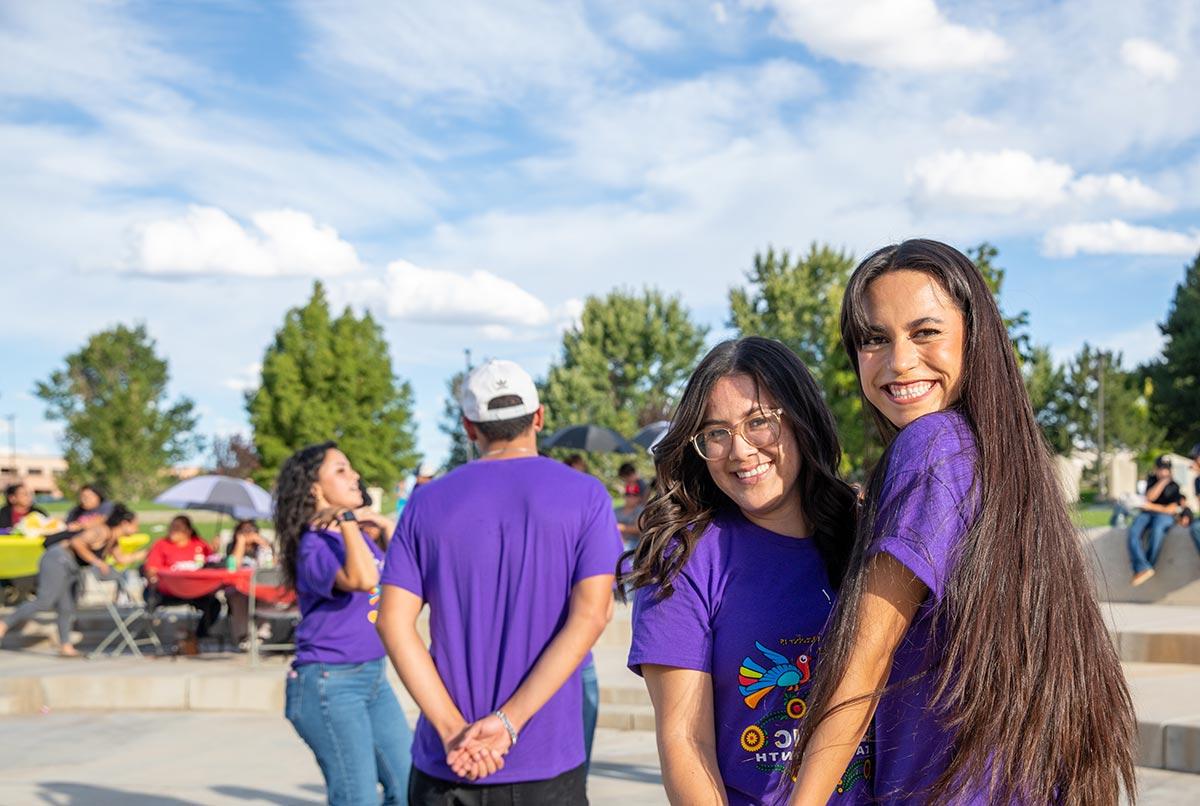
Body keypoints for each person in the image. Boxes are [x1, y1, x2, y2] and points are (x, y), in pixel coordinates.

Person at [787, 239, 1136, 805]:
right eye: (875, 339)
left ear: (975, 337)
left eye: (925, 332)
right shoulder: (1001, 463)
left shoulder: (933, 445)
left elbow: (864, 663)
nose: (899, 361)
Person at [620, 337, 865, 805]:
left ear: (801, 420)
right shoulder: (684, 558)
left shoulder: (869, 532)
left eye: (758, 422)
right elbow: (686, 741)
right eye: (716, 433)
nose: (740, 451)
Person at [377, 358, 621, 804]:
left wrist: (452, 730)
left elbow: (393, 622)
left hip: (446, 761)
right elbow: (594, 613)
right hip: (545, 759)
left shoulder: (425, 502)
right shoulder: (586, 495)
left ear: (470, 428)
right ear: (539, 416)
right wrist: (509, 723)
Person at [276, 442, 410, 805]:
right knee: (358, 798)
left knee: (409, 784)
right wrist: (348, 521)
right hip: (329, 685)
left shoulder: (353, 536)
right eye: (341, 470)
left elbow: (409, 572)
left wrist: (382, 524)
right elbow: (364, 579)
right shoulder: (315, 543)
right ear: (314, 488)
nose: (355, 476)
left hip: (372, 678)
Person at [0, 504, 142, 656]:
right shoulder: (101, 531)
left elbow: (122, 559)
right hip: (57, 559)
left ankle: (65, 646)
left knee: (67, 606)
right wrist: (97, 562)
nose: (137, 529)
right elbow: (77, 542)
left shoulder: (113, 540)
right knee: (44, 601)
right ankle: (3, 625)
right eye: (136, 525)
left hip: (71, 567)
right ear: (125, 523)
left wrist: (145, 554)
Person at [142, 515, 222, 640]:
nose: (173, 531)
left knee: (214, 604)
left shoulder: (199, 544)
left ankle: (199, 635)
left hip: (194, 591)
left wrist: (214, 550)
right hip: (167, 591)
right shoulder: (161, 544)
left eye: (178, 528)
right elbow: (151, 570)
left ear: (188, 530)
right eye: (172, 527)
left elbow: (211, 563)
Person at [1128, 455, 1185, 586]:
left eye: (1166, 469)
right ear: (1156, 469)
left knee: (1158, 530)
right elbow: (1150, 497)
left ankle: (1147, 565)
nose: (1163, 472)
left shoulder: (1174, 486)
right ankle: (1143, 566)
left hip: (1163, 516)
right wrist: (1161, 483)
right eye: (1160, 468)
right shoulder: (1152, 480)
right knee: (1133, 532)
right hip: (1147, 514)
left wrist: (1153, 507)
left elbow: (1171, 509)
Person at [224, 520, 275, 647]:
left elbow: (273, 566)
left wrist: (263, 543)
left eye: (251, 530)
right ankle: (243, 636)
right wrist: (241, 544)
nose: (247, 533)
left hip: (260, 587)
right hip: (239, 587)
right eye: (243, 530)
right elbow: (233, 566)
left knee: (266, 595)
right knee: (237, 596)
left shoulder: (263, 547)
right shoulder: (232, 546)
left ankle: (261, 633)